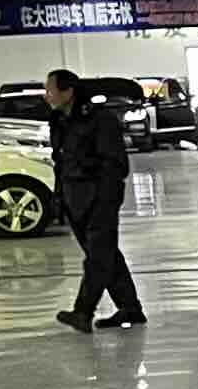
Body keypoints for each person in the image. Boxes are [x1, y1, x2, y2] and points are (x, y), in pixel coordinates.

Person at [45, 67, 144, 333]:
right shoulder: (58, 120)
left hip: (99, 198)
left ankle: (83, 311)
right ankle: (130, 308)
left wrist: (105, 200)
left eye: (50, 90)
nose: (47, 96)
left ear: (68, 92)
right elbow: (61, 162)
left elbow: (115, 164)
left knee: (98, 258)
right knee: (105, 255)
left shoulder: (100, 120)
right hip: (73, 198)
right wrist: (59, 198)